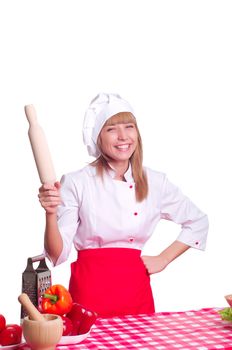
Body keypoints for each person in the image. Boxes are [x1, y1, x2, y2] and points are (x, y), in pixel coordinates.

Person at [38, 93, 209, 317]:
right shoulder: (77, 182)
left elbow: (198, 221)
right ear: (98, 138)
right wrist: (50, 214)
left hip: (136, 292)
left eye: (129, 127)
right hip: (90, 292)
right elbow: (56, 254)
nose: (123, 136)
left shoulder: (155, 182)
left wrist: (164, 258)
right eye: (111, 129)